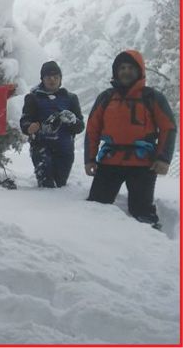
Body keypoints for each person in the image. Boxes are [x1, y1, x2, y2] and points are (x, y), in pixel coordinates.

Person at [84, 50, 176, 230]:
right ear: (116, 71)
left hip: (143, 164)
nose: (126, 71)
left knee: (142, 213)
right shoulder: (106, 97)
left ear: (139, 70)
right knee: (95, 207)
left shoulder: (152, 97)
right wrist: (89, 159)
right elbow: (92, 129)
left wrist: (163, 158)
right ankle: (94, 240)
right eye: (122, 68)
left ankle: (151, 243)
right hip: (110, 161)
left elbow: (168, 128)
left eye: (131, 68)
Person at [19, 61, 84, 188]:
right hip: (41, 148)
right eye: (48, 77)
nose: (52, 80)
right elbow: (24, 121)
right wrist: (29, 127)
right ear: (42, 79)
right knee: (46, 186)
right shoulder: (32, 98)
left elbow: (80, 126)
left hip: (65, 150)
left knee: (60, 185)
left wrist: (73, 121)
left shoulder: (71, 98)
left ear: (60, 78)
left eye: (56, 76)